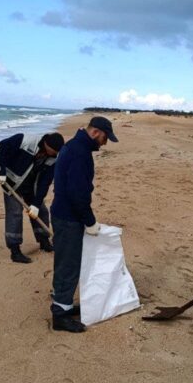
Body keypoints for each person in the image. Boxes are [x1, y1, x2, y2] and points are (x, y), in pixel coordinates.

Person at [49, 116, 118, 332]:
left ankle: (64, 304)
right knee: (68, 264)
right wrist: (90, 221)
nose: (104, 143)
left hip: (64, 213)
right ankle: (60, 315)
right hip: (69, 217)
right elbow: (77, 192)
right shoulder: (79, 152)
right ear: (96, 132)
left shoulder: (74, 146)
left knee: (66, 261)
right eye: (105, 138)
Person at [0, 131, 64, 263]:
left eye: (56, 153)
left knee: (41, 211)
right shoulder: (25, 140)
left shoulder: (54, 157)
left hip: (31, 187)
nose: (53, 154)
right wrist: (0, 171)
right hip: (11, 183)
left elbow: (45, 182)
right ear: (46, 143)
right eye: (52, 151)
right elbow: (0, 147)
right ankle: (15, 251)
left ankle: (44, 241)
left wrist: (36, 204)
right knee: (15, 213)